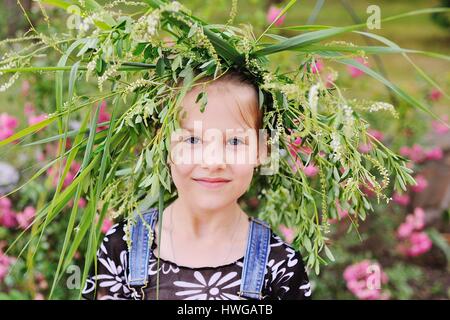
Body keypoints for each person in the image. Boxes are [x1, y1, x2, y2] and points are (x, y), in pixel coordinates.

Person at [82, 70, 311, 300]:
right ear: (163, 144)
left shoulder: (281, 266)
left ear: (262, 150)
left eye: (235, 141)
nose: (213, 162)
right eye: (192, 140)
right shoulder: (124, 246)